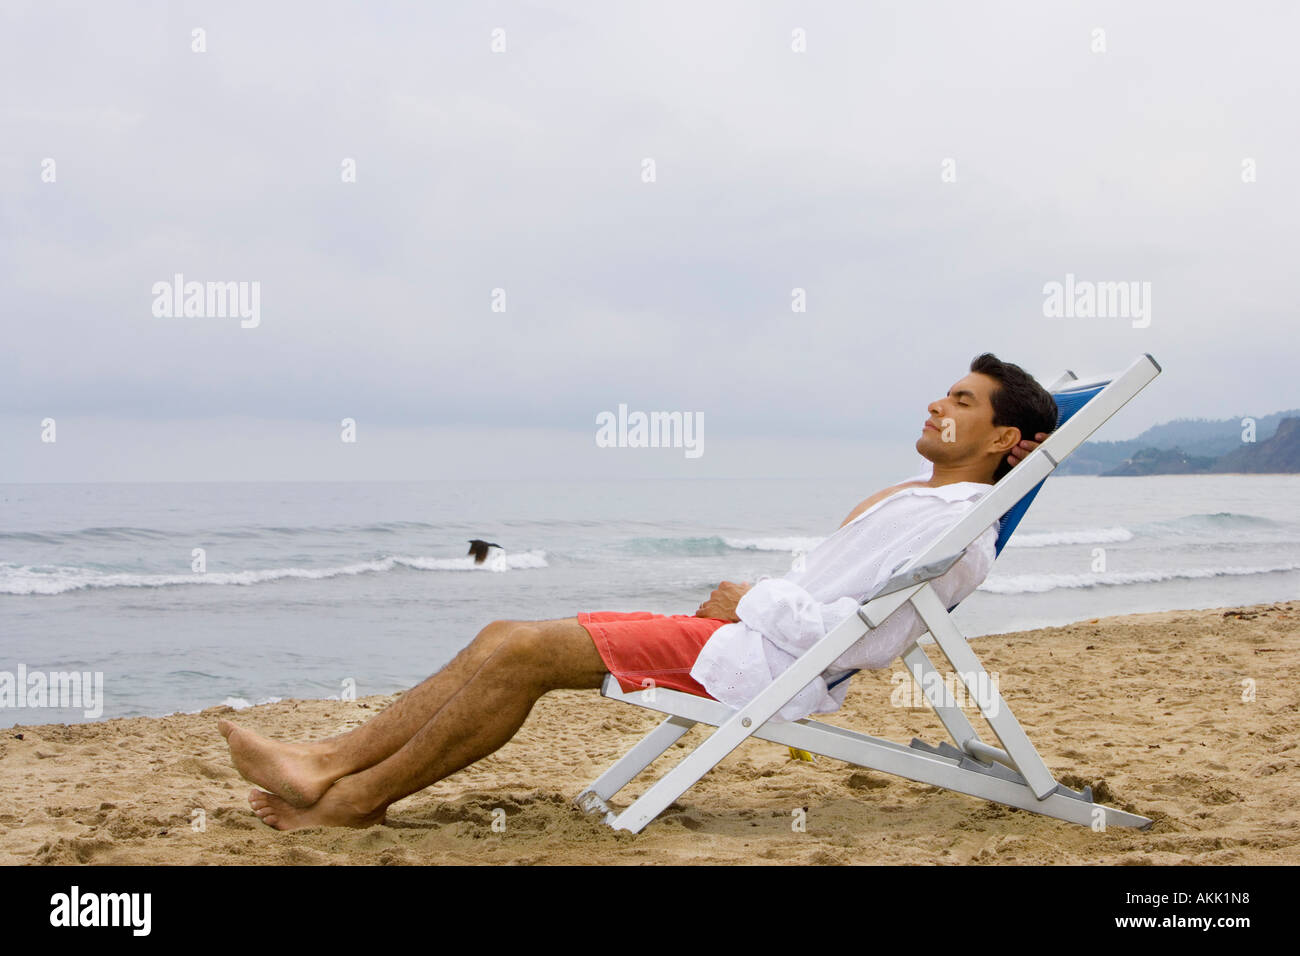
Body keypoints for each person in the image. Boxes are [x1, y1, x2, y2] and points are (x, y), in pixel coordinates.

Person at [220, 352, 1058, 829]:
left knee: (517, 654)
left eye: (960, 400)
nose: (935, 403)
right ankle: (335, 772)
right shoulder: (931, 502)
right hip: (741, 642)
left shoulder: (960, 533)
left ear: (1008, 436)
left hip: (757, 663)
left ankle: (344, 783)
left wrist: (747, 599)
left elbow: (872, 642)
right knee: (501, 635)